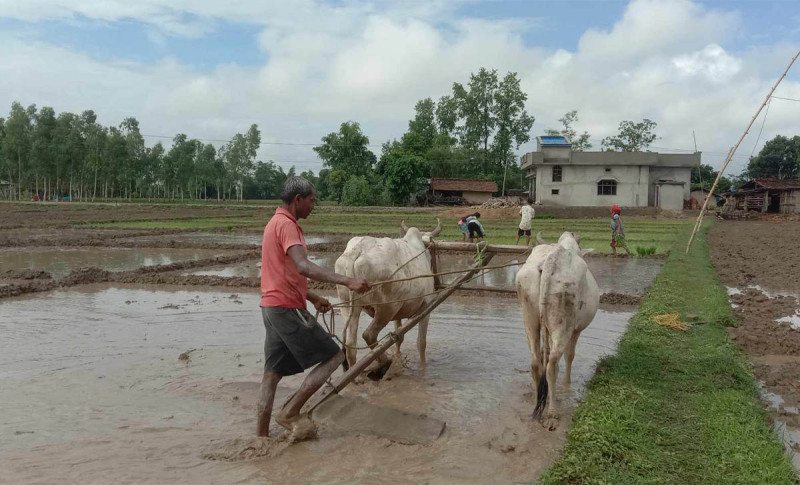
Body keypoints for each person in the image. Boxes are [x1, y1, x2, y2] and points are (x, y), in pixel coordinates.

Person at [257, 176, 370, 438]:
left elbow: (282, 273)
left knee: (272, 375)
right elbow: (303, 266)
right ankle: (290, 413)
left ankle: (261, 437)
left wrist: (312, 297)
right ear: (297, 200)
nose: (313, 206)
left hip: (272, 307)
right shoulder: (287, 225)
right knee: (335, 357)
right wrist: (348, 280)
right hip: (287, 309)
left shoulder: (274, 223)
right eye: (311, 200)